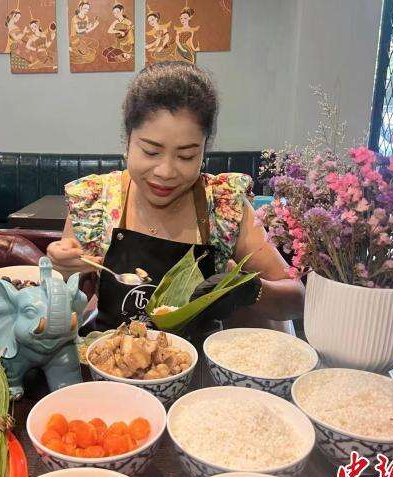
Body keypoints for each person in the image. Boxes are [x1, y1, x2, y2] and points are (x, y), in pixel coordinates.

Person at [47, 62, 304, 334]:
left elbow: (296, 299)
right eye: (151, 152)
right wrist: (61, 273)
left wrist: (250, 289)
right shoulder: (94, 203)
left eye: (186, 156)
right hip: (111, 356)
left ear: (204, 151)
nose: (166, 172)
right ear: (128, 141)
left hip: (199, 359)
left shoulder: (224, 205)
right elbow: (55, 316)